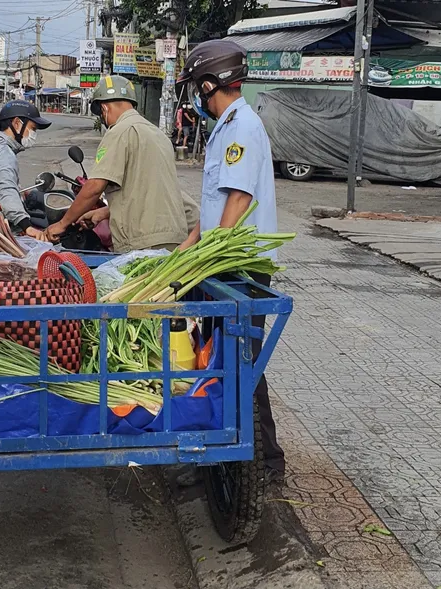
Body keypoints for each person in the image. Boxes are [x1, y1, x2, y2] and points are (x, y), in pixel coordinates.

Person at [176, 39, 285, 482]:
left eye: (195, 88)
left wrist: (208, 255)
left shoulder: (241, 126)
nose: (194, 97)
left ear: (208, 84)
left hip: (239, 267)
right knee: (229, 362)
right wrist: (186, 248)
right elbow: (216, 202)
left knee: (240, 365)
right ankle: (237, 459)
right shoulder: (227, 124)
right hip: (224, 261)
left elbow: (239, 196)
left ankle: (262, 464)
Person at [44, 75, 196, 252]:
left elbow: (94, 187)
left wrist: (62, 224)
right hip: (174, 237)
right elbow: (146, 191)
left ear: (104, 108)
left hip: (142, 242)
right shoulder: (158, 135)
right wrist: (103, 213)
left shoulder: (119, 131)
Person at [0, 100, 51, 241]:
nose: (33, 134)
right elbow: (7, 191)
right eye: (33, 128)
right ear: (17, 124)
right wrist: (26, 226)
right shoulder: (4, 154)